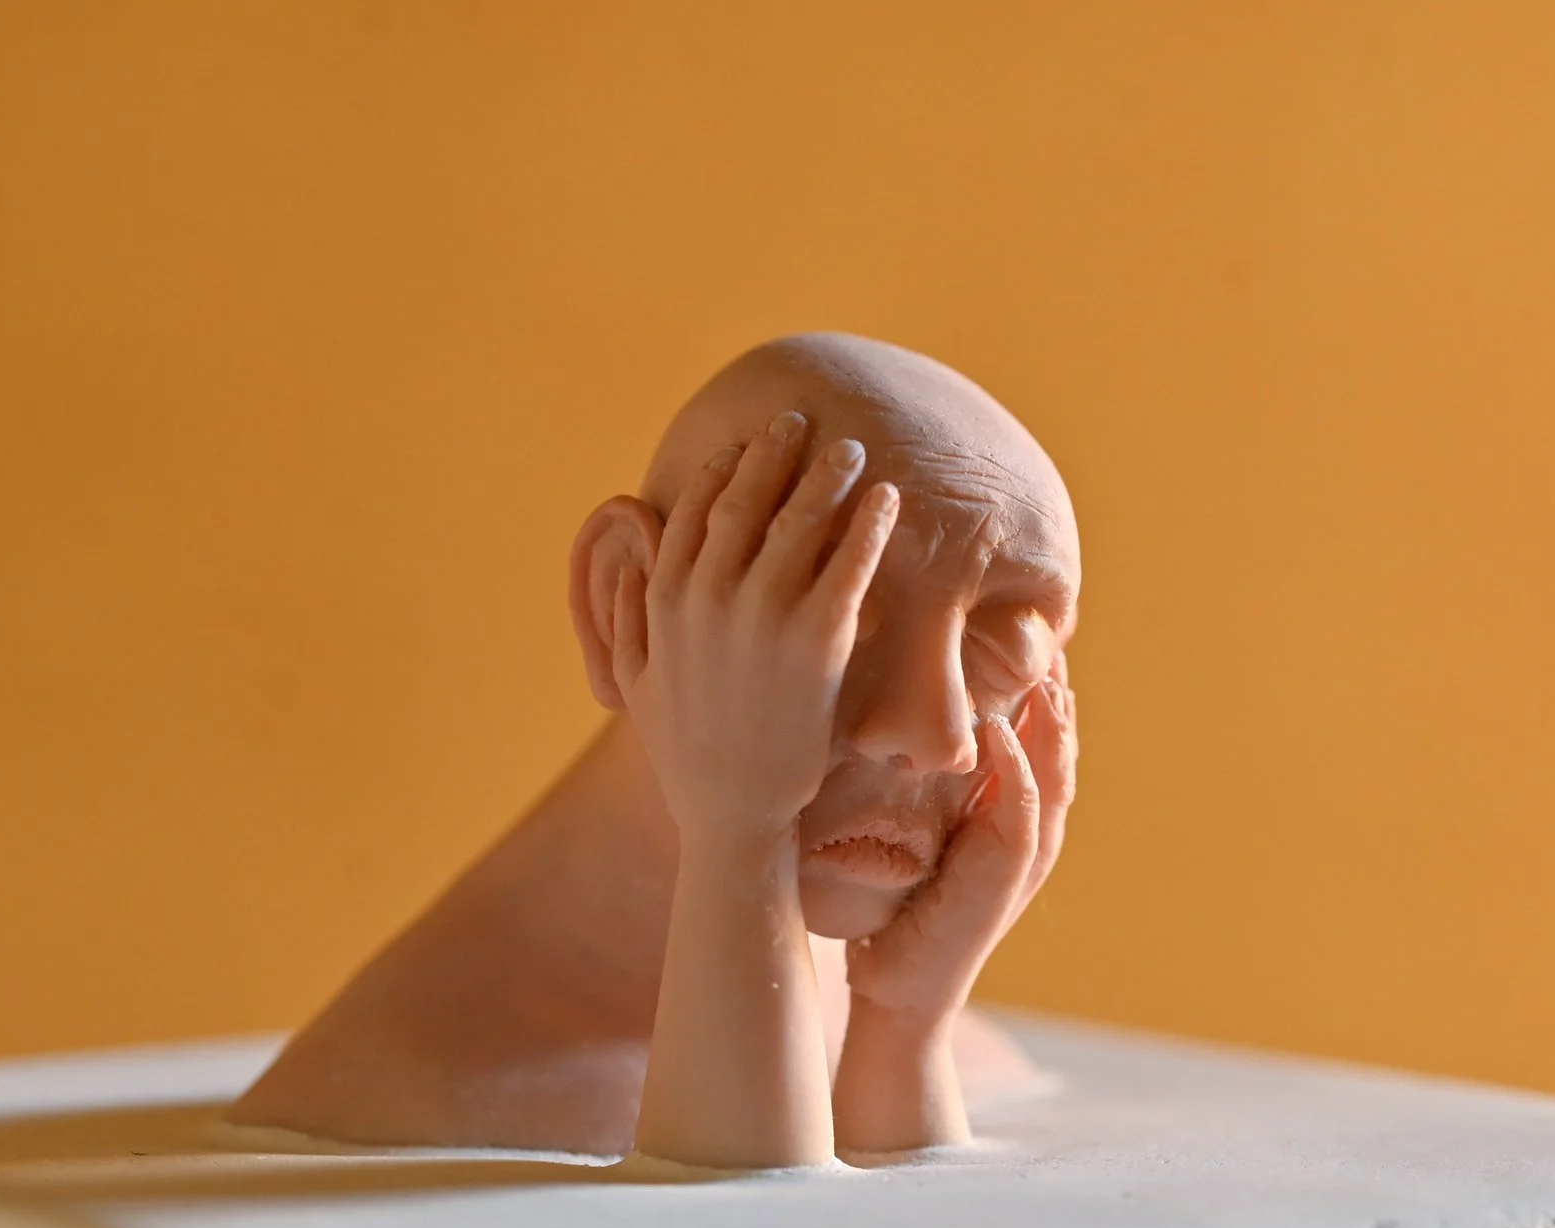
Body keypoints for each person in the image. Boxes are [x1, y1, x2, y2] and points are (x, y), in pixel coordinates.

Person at [230, 333, 1080, 1167]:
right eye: (837, 616)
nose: (937, 737)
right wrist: (737, 832)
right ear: (626, 603)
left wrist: (903, 1027)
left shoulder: (914, 1028)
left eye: (1005, 655)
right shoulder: (411, 1089)